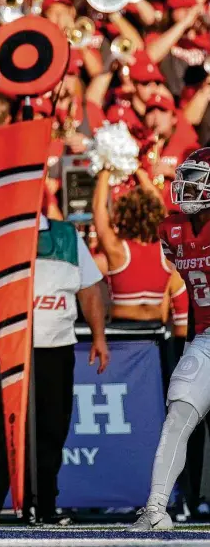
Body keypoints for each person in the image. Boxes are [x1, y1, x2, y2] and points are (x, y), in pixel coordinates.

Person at [0, 214, 109, 527]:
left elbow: (89, 288)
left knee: (51, 431)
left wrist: (98, 336)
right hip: (9, 346)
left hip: (57, 347)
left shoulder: (67, 234)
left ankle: (42, 507)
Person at [131, 147, 210, 531]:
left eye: (197, 181)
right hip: (208, 336)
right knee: (179, 410)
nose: (187, 189)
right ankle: (157, 508)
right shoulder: (173, 229)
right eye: (187, 180)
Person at [93, 171, 188, 335]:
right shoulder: (165, 248)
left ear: (123, 216)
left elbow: (98, 209)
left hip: (122, 334)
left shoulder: (118, 249)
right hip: (154, 334)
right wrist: (140, 172)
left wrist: (105, 170)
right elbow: (161, 208)